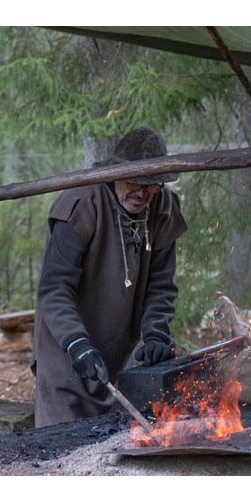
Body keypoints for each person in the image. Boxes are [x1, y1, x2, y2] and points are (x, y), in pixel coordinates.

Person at [32, 127, 188, 427]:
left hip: (119, 353)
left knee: (111, 450)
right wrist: (77, 344)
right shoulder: (80, 204)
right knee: (60, 445)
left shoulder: (164, 207)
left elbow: (160, 284)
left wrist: (156, 332)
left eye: (153, 183)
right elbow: (54, 289)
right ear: (115, 173)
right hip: (66, 352)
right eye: (134, 182)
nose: (143, 193)